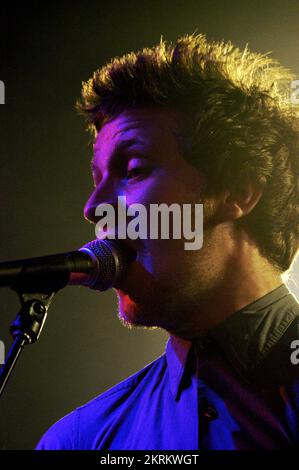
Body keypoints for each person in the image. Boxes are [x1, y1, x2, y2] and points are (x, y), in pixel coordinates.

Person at [36, 33, 299, 450]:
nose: (93, 206)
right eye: (97, 178)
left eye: (134, 169)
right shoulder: (78, 439)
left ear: (238, 192)